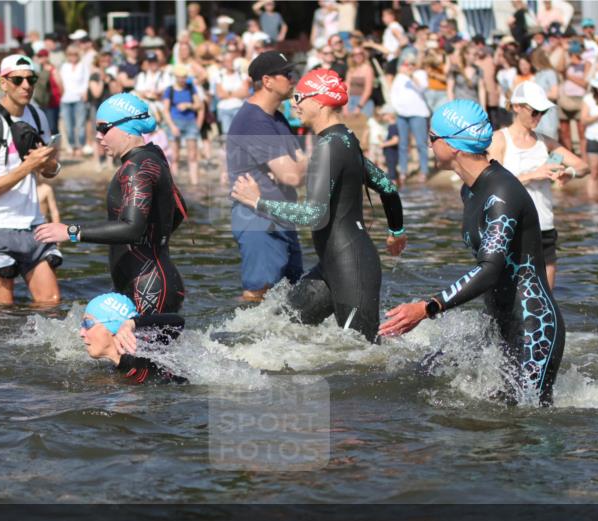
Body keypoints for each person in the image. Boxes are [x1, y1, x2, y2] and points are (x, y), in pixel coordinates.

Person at [379, 100, 564, 406]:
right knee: (428, 374)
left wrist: (428, 307)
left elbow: (490, 268)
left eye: (432, 138)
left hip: (534, 327)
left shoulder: (501, 192)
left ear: (453, 146)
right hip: (500, 321)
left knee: (527, 428)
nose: (427, 144)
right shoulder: (471, 189)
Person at [231, 69, 406, 343]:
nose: (294, 103)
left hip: (352, 268)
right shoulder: (345, 140)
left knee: (363, 357)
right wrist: (396, 231)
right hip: (332, 265)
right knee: (274, 334)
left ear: (320, 101)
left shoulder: (329, 147)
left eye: (299, 96)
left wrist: (257, 201)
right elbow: (388, 187)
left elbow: (314, 213)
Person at [34, 93, 187, 315]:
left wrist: (71, 231)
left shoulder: (136, 168)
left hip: (147, 288)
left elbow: (131, 228)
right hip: (152, 280)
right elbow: (179, 210)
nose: (98, 136)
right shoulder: (152, 157)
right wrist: (154, 241)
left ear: (128, 127)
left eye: (104, 128)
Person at [0, 55, 62, 305]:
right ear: (3, 83)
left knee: (51, 303)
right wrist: (27, 167)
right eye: (18, 79)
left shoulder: (37, 115)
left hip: (34, 224)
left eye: (31, 79)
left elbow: (49, 172)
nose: (26, 86)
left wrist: (50, 164)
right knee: (3, 313)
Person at [225, 51, 308, 302]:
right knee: (256, 296)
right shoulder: (253, 121)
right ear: (268, 81)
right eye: (287, 74)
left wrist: (296, 167)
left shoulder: (277, 117)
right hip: (258, 221)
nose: (293, 78)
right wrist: (296, 166)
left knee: (292, 299)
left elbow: (299, 166)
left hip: (279, 216)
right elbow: (295, 174)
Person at [489, 81, 588, 290]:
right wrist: (532, 175)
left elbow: (583, 166)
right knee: (511, 297)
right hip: (511, 227)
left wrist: (567, 172)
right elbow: (490, 183)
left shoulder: (546, 143)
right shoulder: (500, 139)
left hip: (544, 226)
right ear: (517, 107)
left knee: (546, 300)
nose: (539, 117)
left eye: (542, 112)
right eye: (535, 111)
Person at [80, 292, 186, 385]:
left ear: (114, 326)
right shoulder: (119, 366)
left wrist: (133, 323)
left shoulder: (145, 358)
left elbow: (178, 322)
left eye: (87, 323)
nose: (81, 333)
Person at [390, 52, 431, 185]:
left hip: (418, 113)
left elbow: (423, 87)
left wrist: (411, 75)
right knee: (403, 144)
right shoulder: (400, 76)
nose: (409, 66)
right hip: (402, 114)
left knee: (421, 144)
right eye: (407, 64)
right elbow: (393, 93)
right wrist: (397, 109)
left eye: (412, 64)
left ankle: (423, 171)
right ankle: (403, 171)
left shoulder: (420, 74)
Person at [163, 64, 205, 185]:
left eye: (184, 77)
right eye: (181, 77)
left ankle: (194, 182)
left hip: (190, 122)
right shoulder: (169, 90)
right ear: (176, 77)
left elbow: (199, 105)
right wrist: (171, 126)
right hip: (175, 122)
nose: (183, 79)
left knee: (192, 154)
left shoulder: (191, 87)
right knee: (175, 156)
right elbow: (166, 110)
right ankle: (174, 183)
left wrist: (188, 105)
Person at [60, 46, 91, 159]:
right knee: (68, 126)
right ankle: (72, 146)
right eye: (70, 54)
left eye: (75, 54)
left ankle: (80, 146)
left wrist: (85, 92)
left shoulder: (83, 66)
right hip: (65, 99)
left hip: (79, 99)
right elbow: (61, 82)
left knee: (80, 125)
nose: (73, 57)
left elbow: (86, 81)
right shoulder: (64, 66)